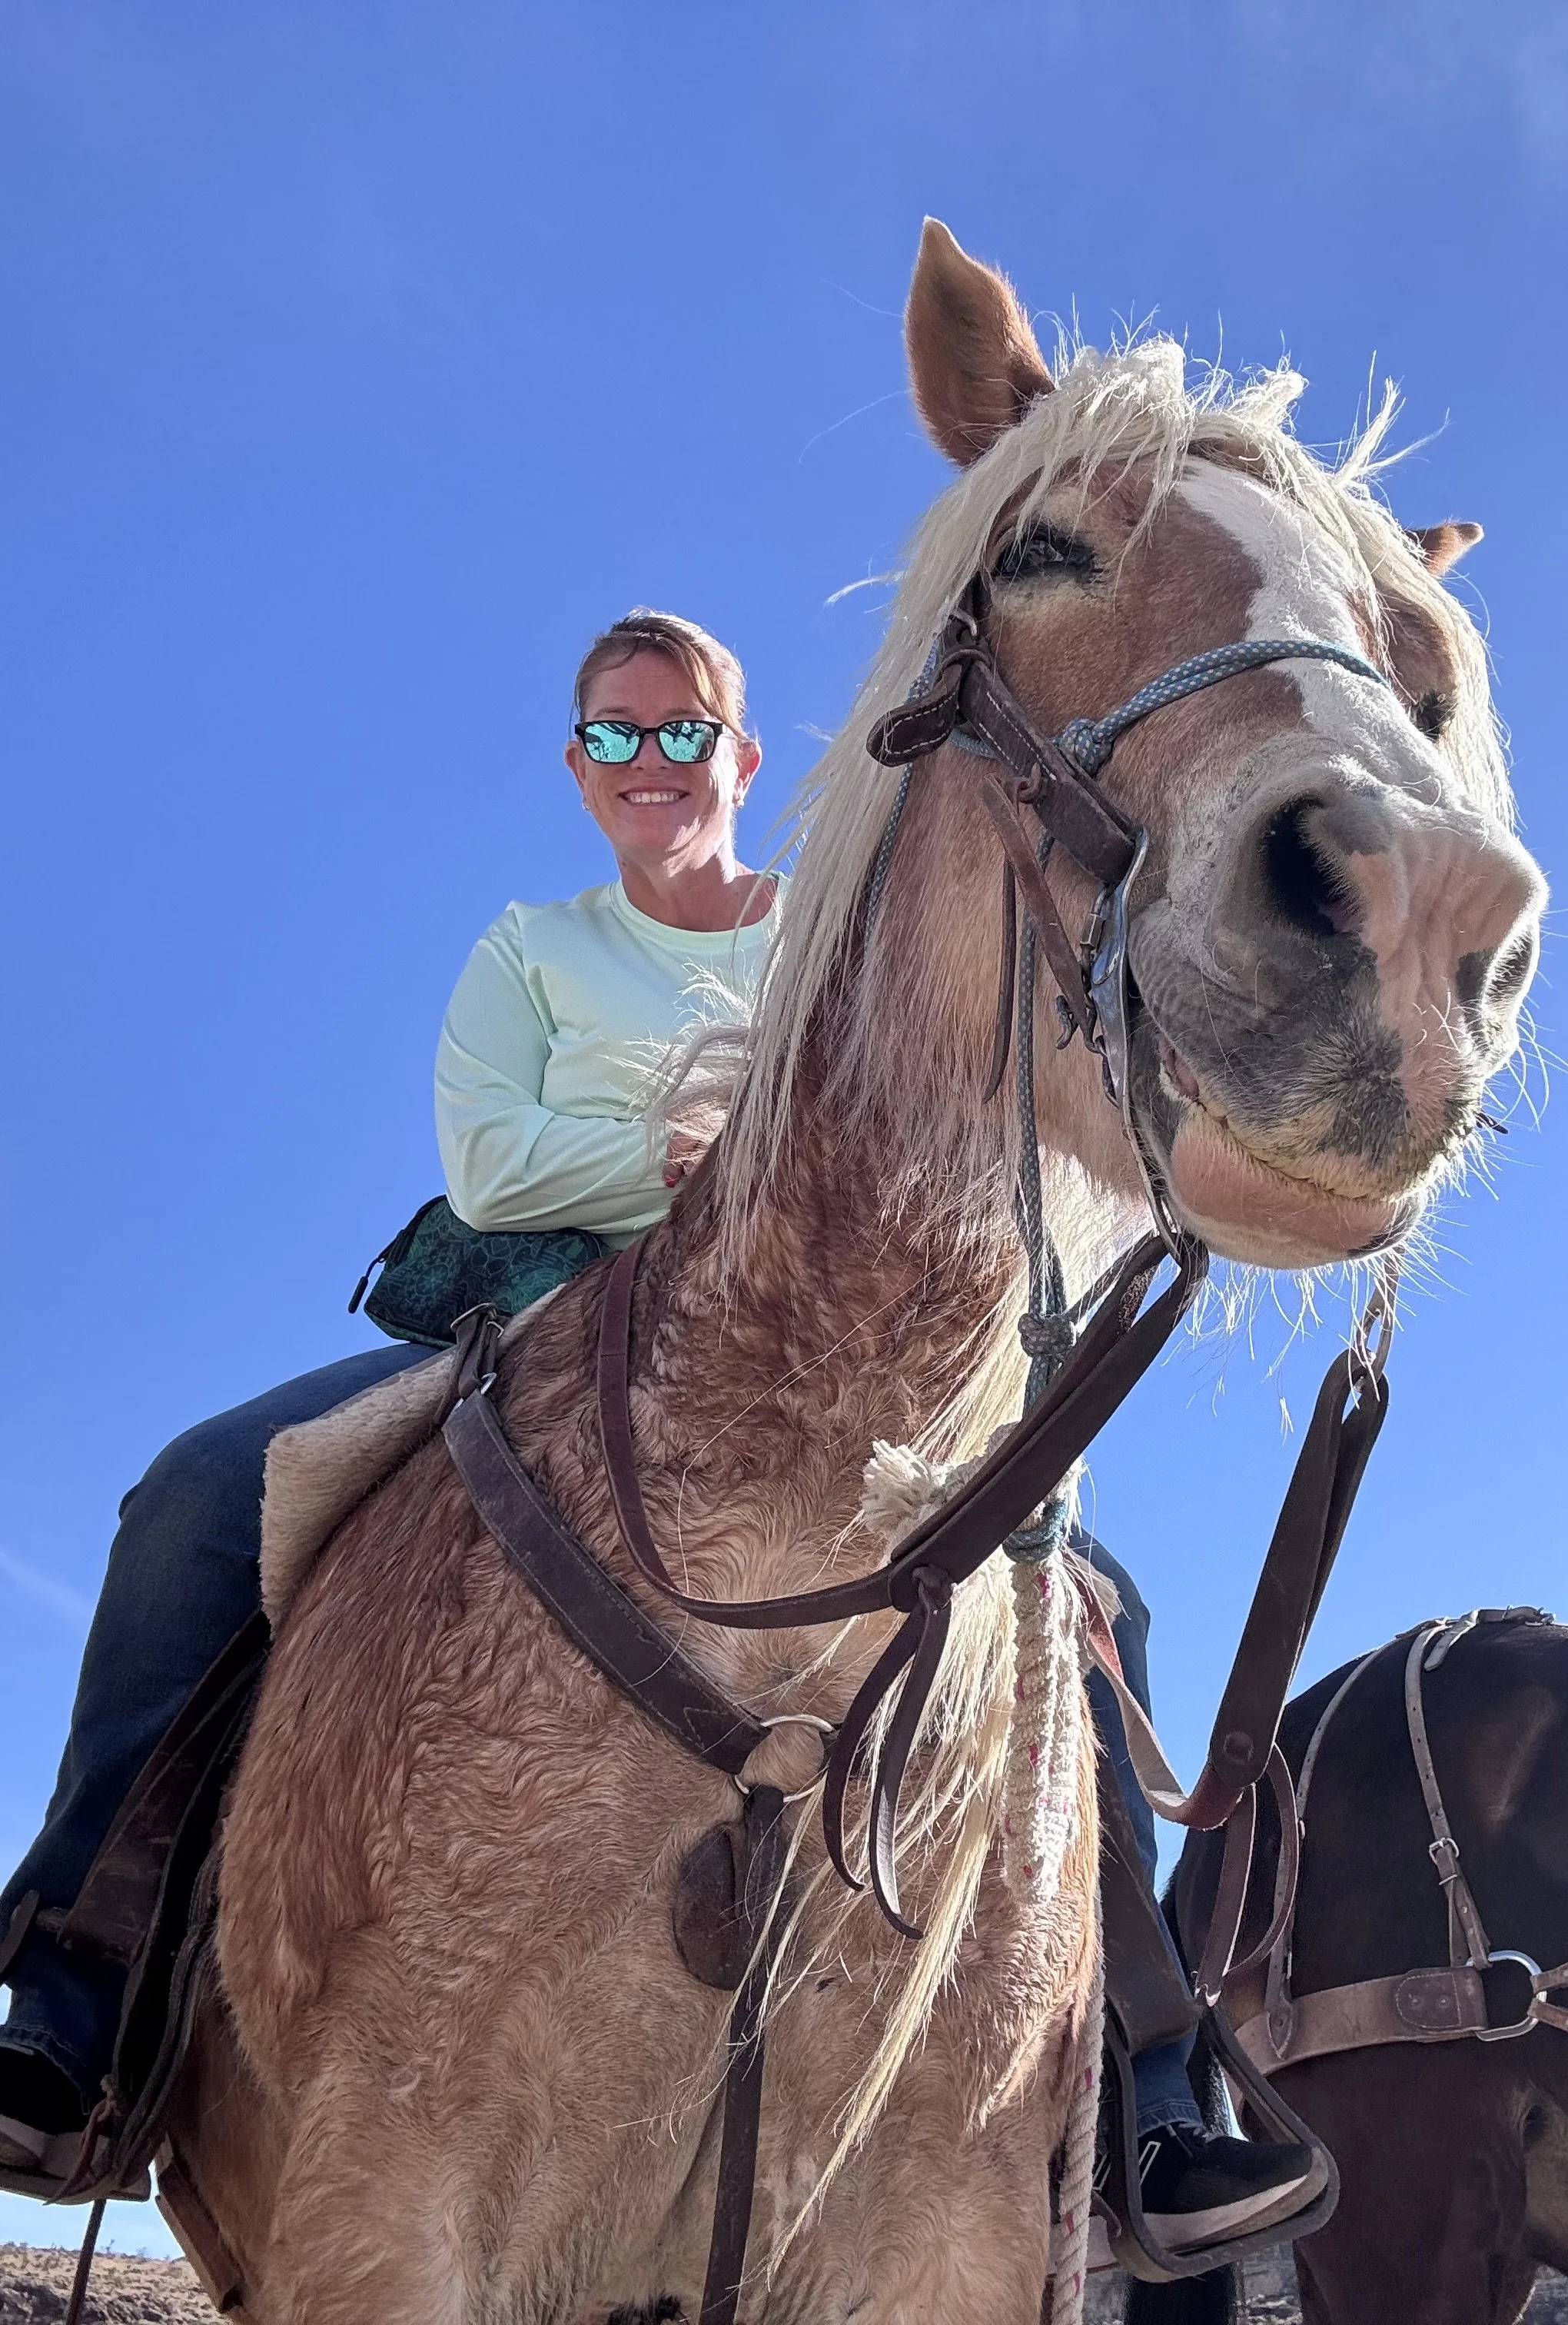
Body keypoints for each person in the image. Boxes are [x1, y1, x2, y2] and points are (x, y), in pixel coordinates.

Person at [0, 609, 1306, 2253]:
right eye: (612, 735)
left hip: (843, 1374)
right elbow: (492, 1162)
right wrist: (689, 1154)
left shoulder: (837, 935)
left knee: (1098, 1607)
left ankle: (1153, 2089)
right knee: (195, 1495)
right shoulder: (530, 954)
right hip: (540, 1327)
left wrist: (777, 1170)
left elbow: (935, 1118)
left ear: (742, 760)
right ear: (575, 764)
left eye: (680, 731)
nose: (647, 762)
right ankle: (77, 1997)